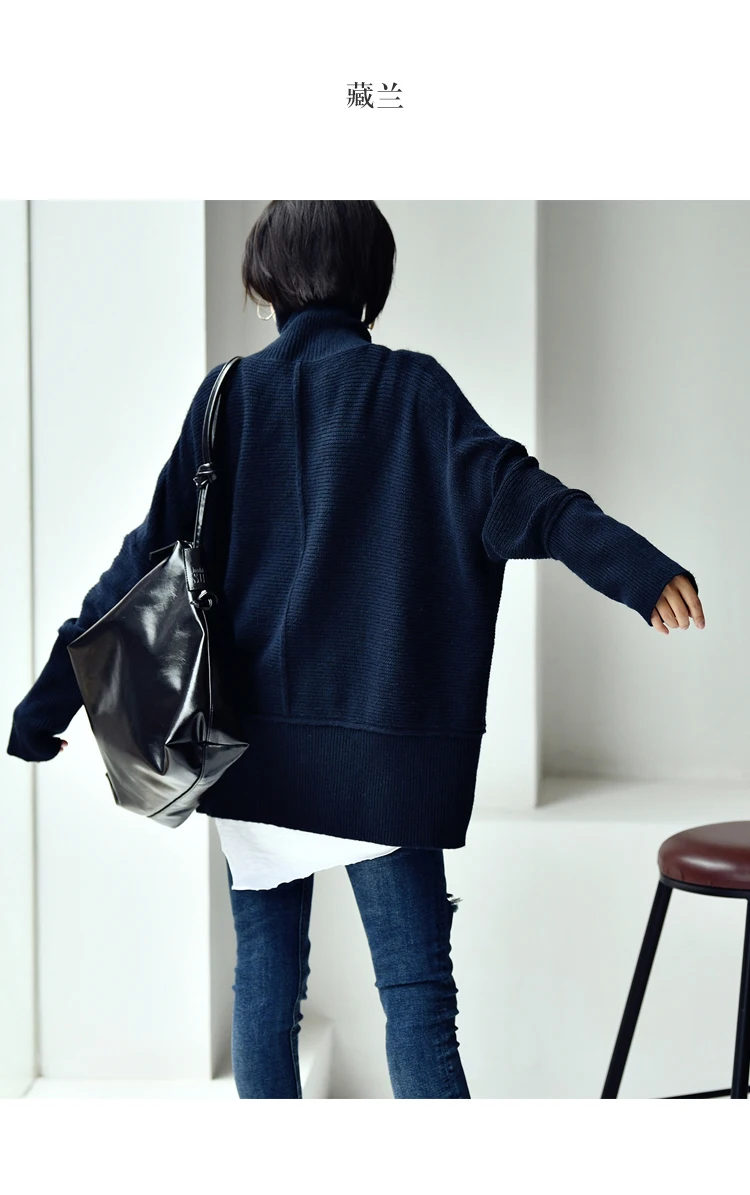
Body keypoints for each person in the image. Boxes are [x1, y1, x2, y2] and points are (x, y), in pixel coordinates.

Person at [6, 200, 705, 1099]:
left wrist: (47, 701)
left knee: (265, 993)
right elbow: (521, 497)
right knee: (416, 1004)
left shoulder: (226, 399)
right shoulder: (412, 390)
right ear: (372, 281)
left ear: (265, 282)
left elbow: (142, 561)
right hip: (381, 760)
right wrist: (638, 571)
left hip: (249, 755)